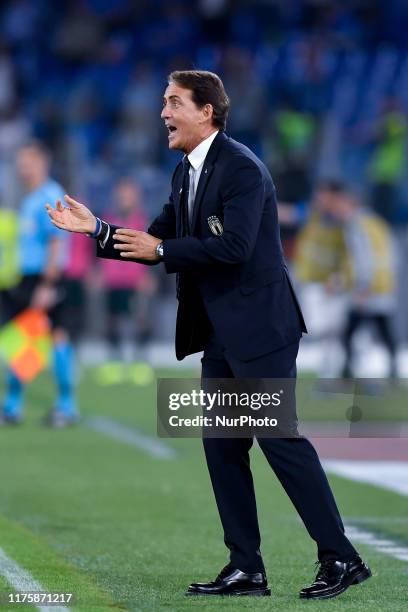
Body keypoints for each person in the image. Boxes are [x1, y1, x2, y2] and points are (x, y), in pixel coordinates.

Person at [46, 70, 371, 600]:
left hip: (261, 328)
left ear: (208, 111)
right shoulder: (185, 172)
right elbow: (157, 238)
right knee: (222, 446)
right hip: (221, 332)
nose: (163, 113)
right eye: (163, 102)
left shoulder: (242, 169)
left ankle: (341, 557)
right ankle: (246, 567)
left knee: (279, 440)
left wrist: (165, 252)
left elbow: (236, 247)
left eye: (174, 102)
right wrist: (98, 231)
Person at [1, 141, 78, 427]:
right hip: (27, 278)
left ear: (42, 163)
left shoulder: (50, 194)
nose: (23, 168)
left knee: (56, 337)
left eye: (28, 162)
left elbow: (57, 240)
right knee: (22, 339)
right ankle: (12, 406)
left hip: (46, 277)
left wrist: (47, 284)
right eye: (20, 163)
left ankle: (66, 406)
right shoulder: (31, 197)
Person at [99, 178, 156, 356]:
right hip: (113, 281)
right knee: (112, 320)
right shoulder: (108, 220)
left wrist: (149, 275)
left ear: (136, 197)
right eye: (121, 195)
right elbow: (101, 249)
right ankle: (114, 360)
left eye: (128, 195)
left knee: (141, 320)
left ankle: (141, 359)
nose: (124, 198)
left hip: (135, 282)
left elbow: (154, 250)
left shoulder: (143, 221)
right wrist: (100, 272)